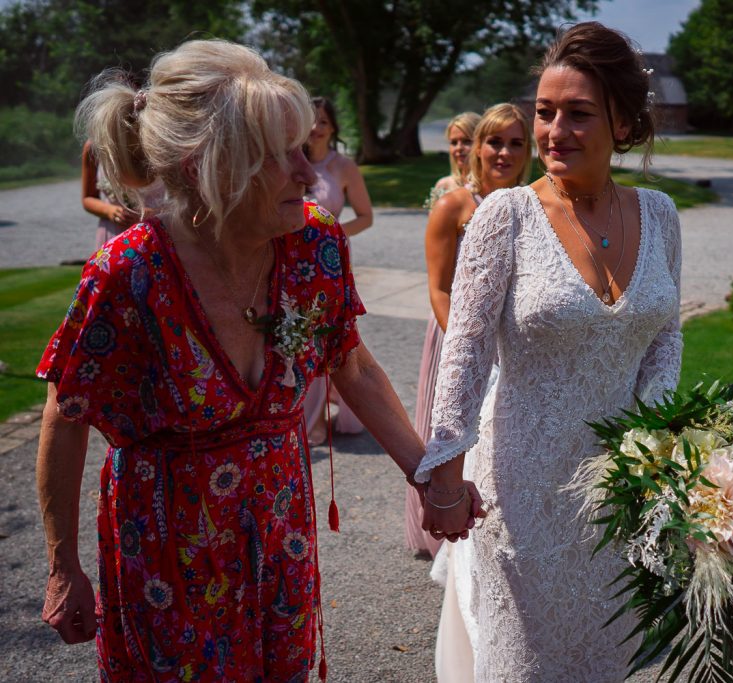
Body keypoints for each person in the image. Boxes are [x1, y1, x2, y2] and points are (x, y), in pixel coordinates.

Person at [35, 39, 479, 681]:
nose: (307, 171)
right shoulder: (128, 275)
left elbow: (349, 364)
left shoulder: (314, 242)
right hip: (167, 551)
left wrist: (427, 475)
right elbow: (66, 412)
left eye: (306, 147)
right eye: (281, 156)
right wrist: (61, 567)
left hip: (280, 532)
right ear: (202, 166)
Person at [416, 22, 683, 682]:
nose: (554, 130)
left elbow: (665, 336)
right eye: (545, 111)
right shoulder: (504, 215)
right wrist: (444, 468)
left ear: (622, 122)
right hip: (522, 495)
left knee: (606, 659)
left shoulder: (663, 214)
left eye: (578, 113)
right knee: (523, 665)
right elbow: (467, 352)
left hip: (618, 498)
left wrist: (653, 448)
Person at [406, 103, 532, 559]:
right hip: (460, 336)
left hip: (516, 346)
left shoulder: (534, 203)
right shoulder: (453, 205)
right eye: (495, 142)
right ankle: (444, 525)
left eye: (516, 143)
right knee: (454, 434)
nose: (505, 152)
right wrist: (469, 343)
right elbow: (439, 288)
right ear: (477, 149)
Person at [302, 96, 374, 444]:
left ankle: (317, 416)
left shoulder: (343, 167)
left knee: (325, 332)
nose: (316, 129)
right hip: (291, 259)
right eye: (311, 121)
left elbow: (365, 216)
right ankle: (302, 412)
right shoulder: (289, 161)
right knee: (294, 332)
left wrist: (330, 235)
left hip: (328, 262)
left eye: (323, 123)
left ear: (333, 129)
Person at [81, 138, 163, 251]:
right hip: (112, 234)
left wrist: (155, 213)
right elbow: (87, 199)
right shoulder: (94, 147)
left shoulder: (162, 141)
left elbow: (184, 199)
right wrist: (109, 211)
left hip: (155, 232)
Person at [425, 112, 481, 208]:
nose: (459, 148)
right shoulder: (444, 186)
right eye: (454, 142)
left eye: (467, 141)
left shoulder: (496, 185)